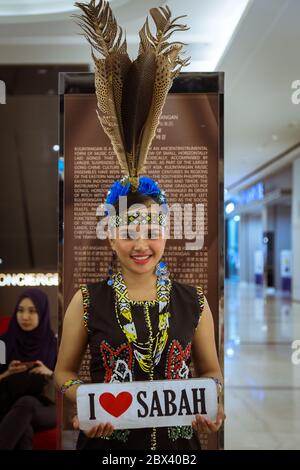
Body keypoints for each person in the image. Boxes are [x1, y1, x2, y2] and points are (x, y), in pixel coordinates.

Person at [54, 0, 225, 450]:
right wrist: (86, 401)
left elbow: (210, 371)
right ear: (111, 235)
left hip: (177, 452)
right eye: (128, 231)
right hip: (108, 448)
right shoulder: (87, 301)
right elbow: (63, 372)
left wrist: (212, 402)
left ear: (166, 231)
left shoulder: (196, 302)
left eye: (151, 230)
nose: (141, 243)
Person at [0, 288, 57, 450]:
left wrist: (50, 373)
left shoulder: (53, 345)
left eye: (32, 311)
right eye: (20, 310)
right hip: (9, 406)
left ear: (43, 313)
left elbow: (67, 383)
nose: (25, 317)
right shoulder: (3, 344)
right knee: (23, 427)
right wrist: (7, 373)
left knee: (26, 404)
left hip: (47, 408)